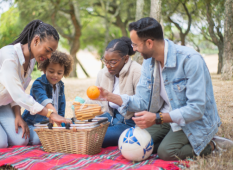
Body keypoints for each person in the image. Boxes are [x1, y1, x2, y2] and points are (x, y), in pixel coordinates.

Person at [97, 17, 233, 160]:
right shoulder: (149, 63)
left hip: (191, 121)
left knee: (166, 152)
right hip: (164, 119)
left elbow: (196, 109)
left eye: (135, 45)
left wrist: (157, 118)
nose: (134, 49)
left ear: (149, 43)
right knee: (131, 145)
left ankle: (210, 145)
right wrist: (109, 96)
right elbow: (142, 101)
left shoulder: (190, 60)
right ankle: (171, 139)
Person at [0, 20, 71, 150]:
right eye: (48, 50)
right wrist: (50, 114)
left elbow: (17, 90)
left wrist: (18, 115)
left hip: (0, 105)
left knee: (21, 140)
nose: (50, 56)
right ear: (36, 40)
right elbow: (19, 96)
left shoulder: (31, 61)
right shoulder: (9, 57)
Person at [96, 37, 142, 148]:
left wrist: (110, 96)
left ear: (125, 59)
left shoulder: (137, 72)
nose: (107, 66)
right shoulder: (103, 73)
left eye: (112, 62)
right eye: (105, 61)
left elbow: (143, 104)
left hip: (129, 122)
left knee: (95, 138)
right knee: (82, 130)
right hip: (109, 117)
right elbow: (97, 101)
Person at [22, 51, 73, 144]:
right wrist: (55, 114)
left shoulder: (60, 85)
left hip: (49, 125)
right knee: (39, 139)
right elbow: (44, 101)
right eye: (51, 71)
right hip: (33, 124)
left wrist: (61, 123)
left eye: (59, 73)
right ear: (44, 69)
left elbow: (62, 106)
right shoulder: (38, 84)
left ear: (64, 73)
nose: (55, 75)